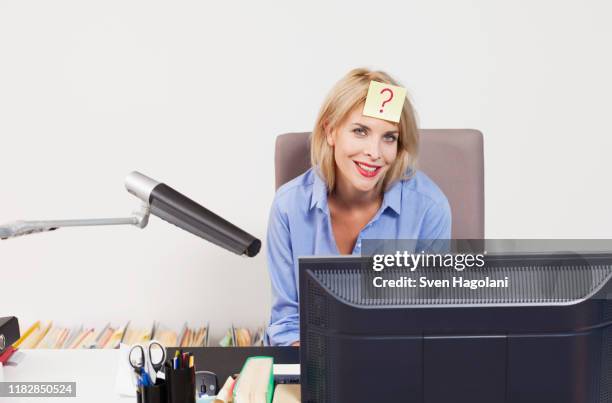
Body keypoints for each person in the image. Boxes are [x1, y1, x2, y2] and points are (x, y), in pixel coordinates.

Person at [266, 68, 451, 346]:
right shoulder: (288, 206)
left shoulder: (430, 208)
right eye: (360, 131)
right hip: (313, 365)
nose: (374, 153)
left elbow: (430, 321)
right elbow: (287, 323)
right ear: (330, 131)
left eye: (389, 137)